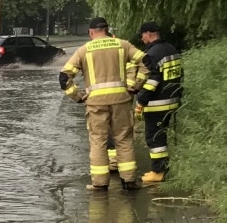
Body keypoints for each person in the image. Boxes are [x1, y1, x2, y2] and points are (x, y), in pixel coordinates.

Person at [60, 17, 147, 191]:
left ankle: (100, 184)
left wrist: (77, 96)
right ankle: (129, 181)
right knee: (123, 139)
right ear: (107, 29)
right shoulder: (123, 45)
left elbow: (64, 77)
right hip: (121, 100)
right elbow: (146, 63)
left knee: (98, 141)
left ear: (91, 32)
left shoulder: (84, 50)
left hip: (95, 103)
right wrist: (135, 87)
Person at [134, 22, 183, 183]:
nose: (142, 38)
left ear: (149, 34)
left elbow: (153, 80)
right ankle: (161, 168)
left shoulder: (152, 53)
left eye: (142, 35)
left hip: (157, 103)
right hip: (172, 100)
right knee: (160, 135)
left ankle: (158, 171)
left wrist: (141, 100)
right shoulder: (171, 49)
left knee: (154, 137)